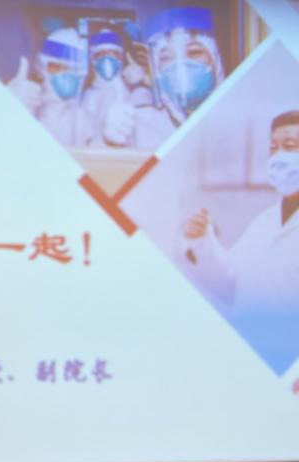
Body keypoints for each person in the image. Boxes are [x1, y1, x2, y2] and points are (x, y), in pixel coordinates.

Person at [180, 110, 299, 373]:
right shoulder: (264, 221)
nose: (278, 156)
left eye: (290, 146)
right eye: (273, 148)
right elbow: (230, 282)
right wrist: (202, 241)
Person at [102, 7, 224, 149]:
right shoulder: (141, 122)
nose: (181, 66)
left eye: (194, 52)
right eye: (167, 57)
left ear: (215, 61)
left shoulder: (237, 119)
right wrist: (108, 143)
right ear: (157, 70)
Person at [8, 27, 97, 146]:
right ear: (42, 67)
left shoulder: (81, 119)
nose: (66, 74)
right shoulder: (29, 104)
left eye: (73, 70)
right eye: (57, 67)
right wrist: (10, 110)